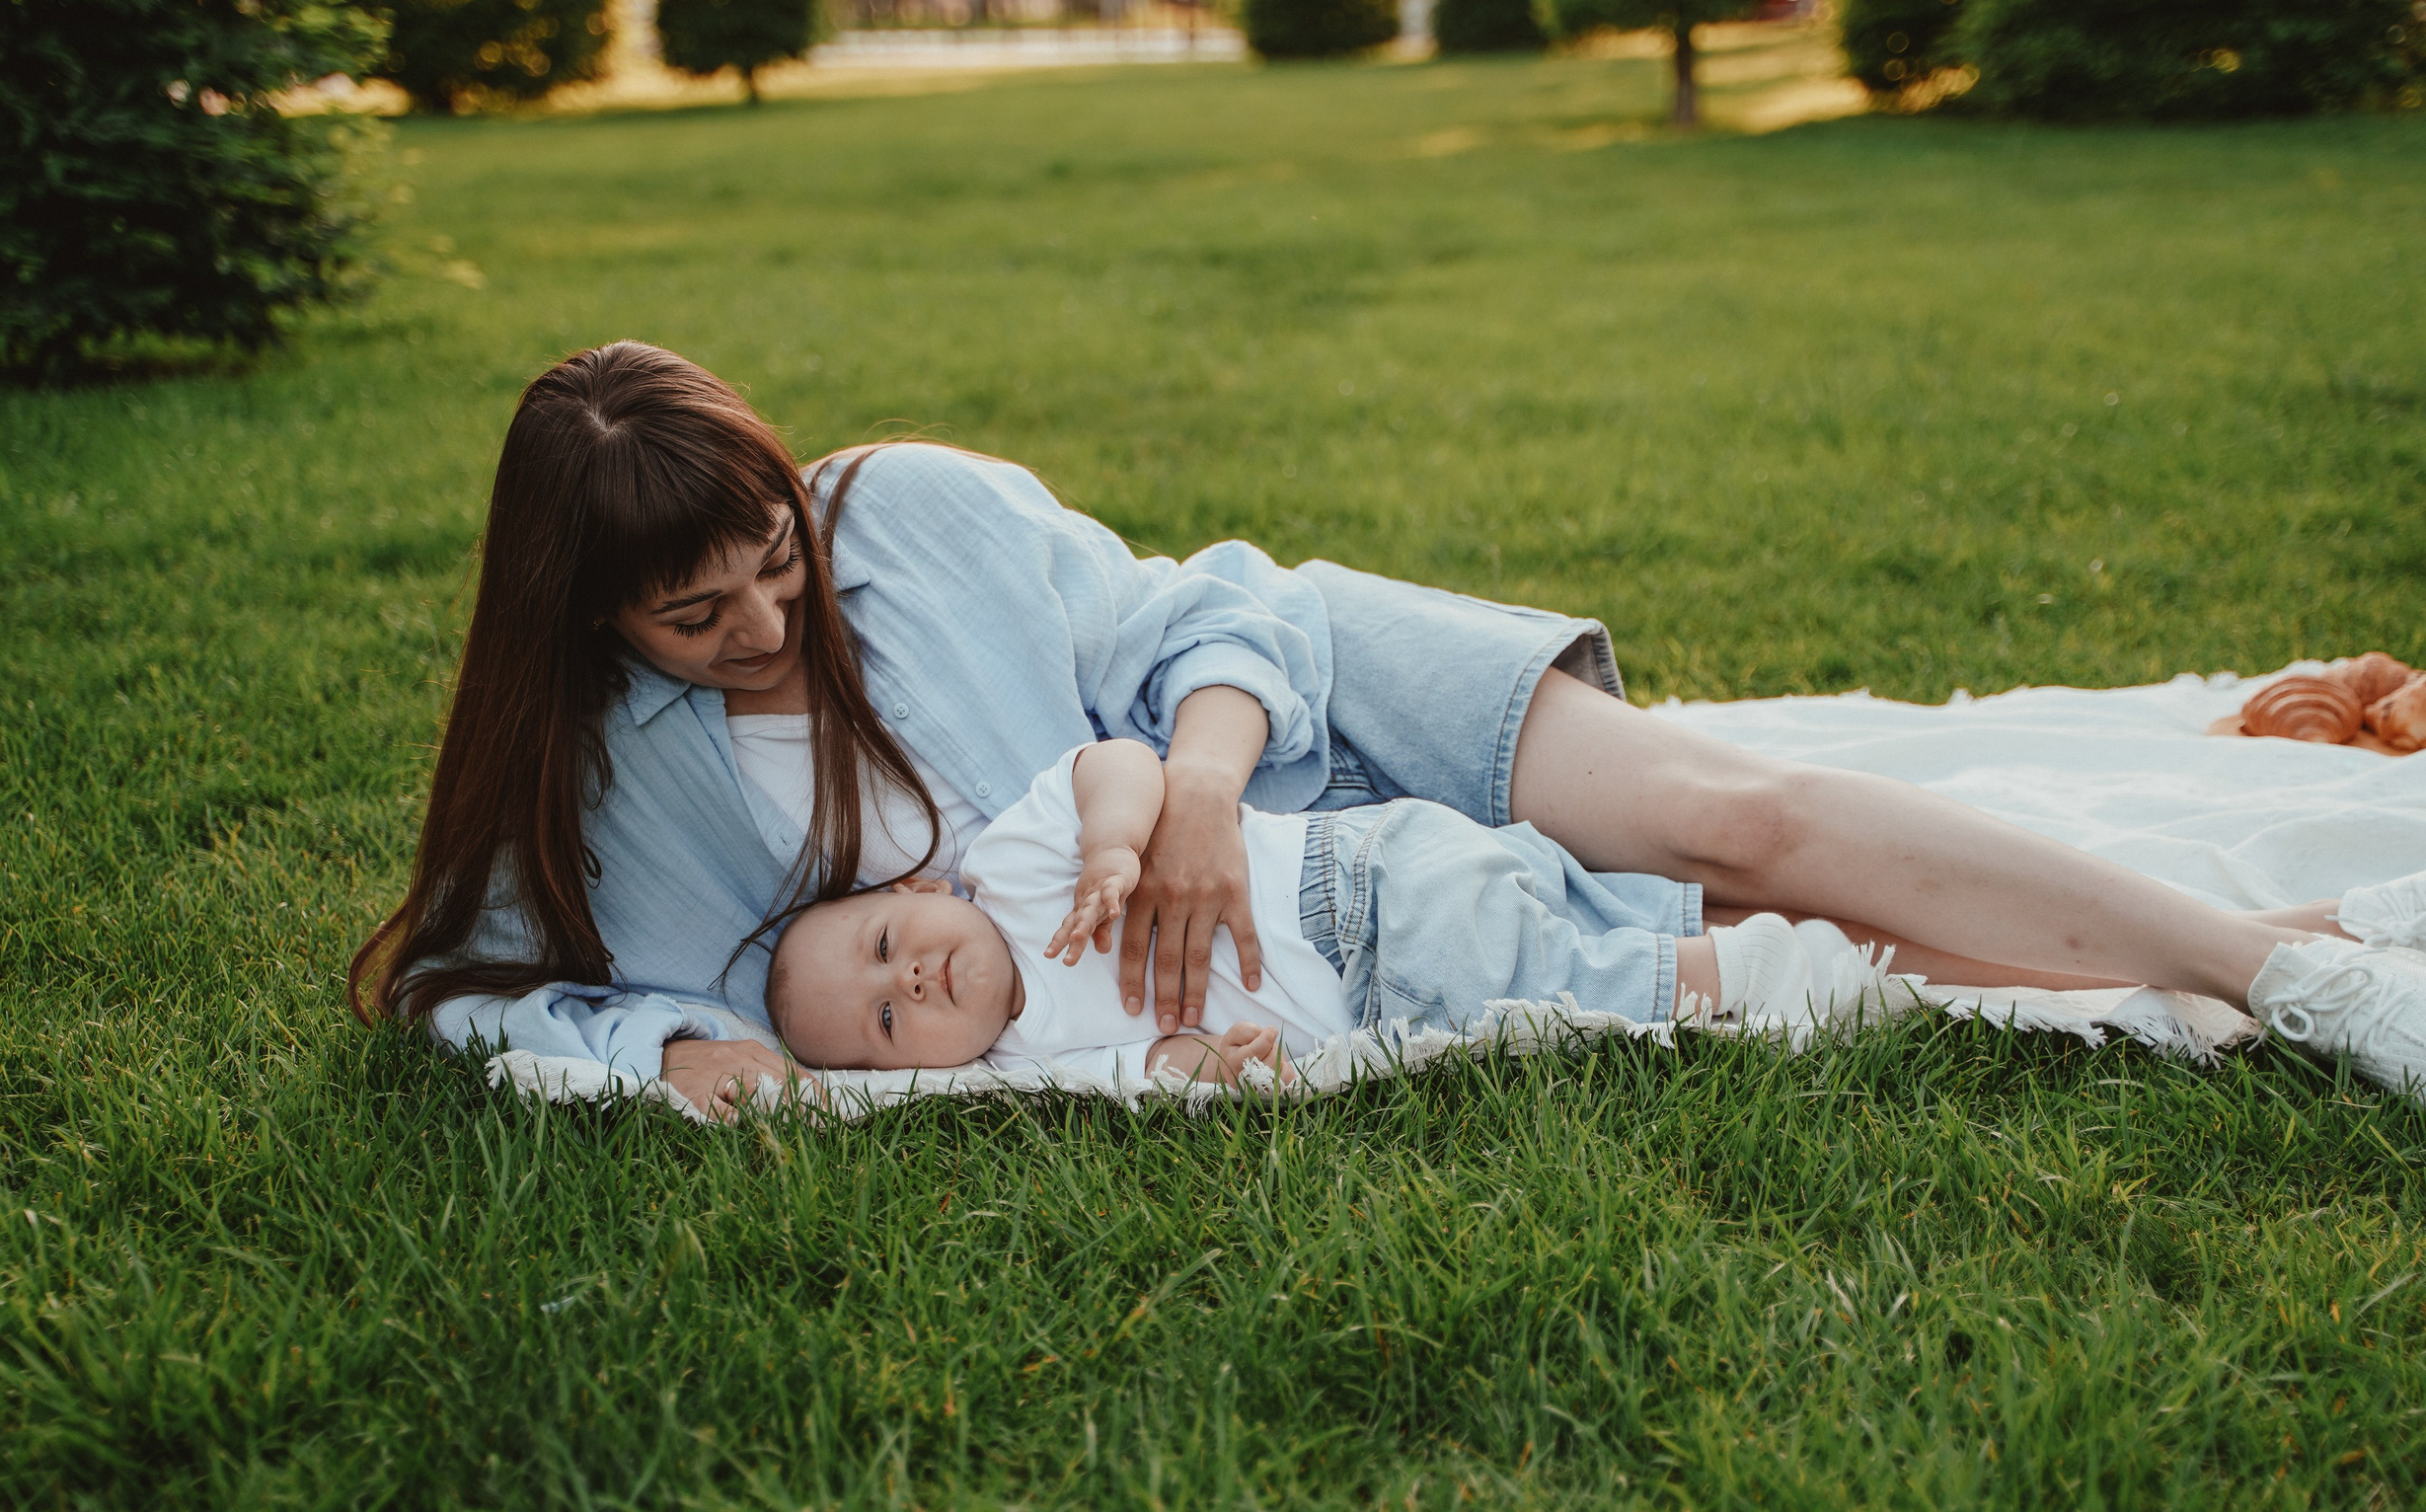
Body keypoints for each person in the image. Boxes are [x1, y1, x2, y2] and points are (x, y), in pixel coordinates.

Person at [348, 341, 2426, 1116]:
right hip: (1328, 919)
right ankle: (2185, 967)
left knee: (1740, 813)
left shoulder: (914, 512)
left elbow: (1209, 609)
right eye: (696, 615)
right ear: (592, 619)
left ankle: (2289, 974)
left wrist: (1198, 785)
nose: (765, 621)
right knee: (1723, 935)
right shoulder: (617, 787)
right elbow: (477, 989)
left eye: (774, 560)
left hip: (1293, 714)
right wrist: (671, 1047)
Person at [767, 739, 1888, 1087]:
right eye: (885, 1020)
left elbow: (1114, 764)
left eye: (884, 946)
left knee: (1547, 993)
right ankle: (1723, 937)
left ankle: (1754, 979)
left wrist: (1112, 844)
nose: (909, 979)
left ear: (916, 891)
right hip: (1372, 985)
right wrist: (1214, 1061)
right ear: (908, 1071)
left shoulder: (1011, 868)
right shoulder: (1030, 1062)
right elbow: (1157, 1067)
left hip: (1355, 892)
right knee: (1563, 940)